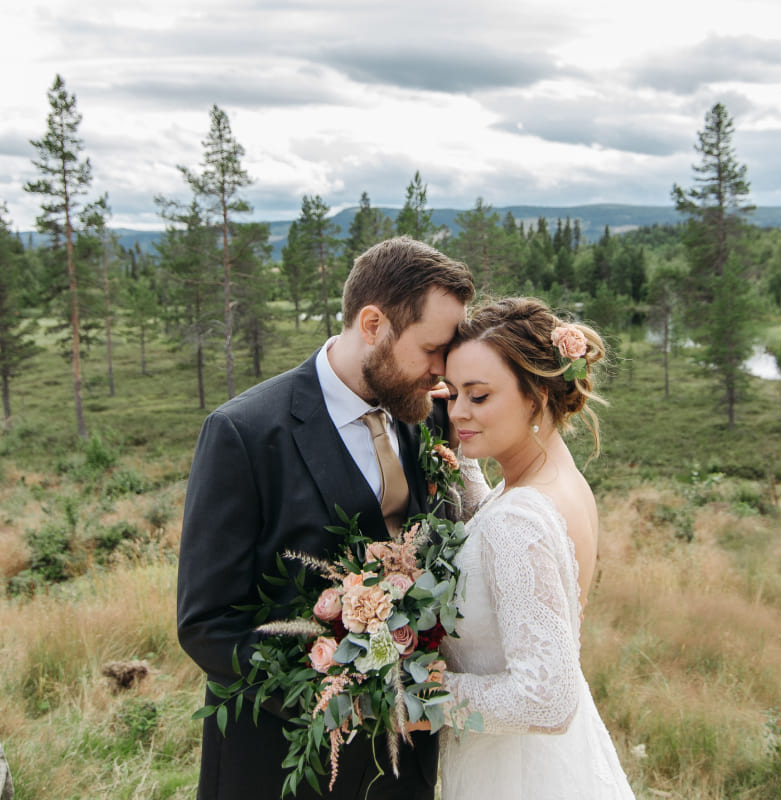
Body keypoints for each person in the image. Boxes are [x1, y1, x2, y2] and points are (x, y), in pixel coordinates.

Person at [177, 236, 475, 800]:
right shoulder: (244, 434)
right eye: (433, 348)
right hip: (280, 766)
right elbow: (207, 625)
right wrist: (337, 695)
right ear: (373, 324)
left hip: (403, 765)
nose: (443, 370)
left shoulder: (428, 413)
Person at [436, 297, 635, 799]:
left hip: (514, 775)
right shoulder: (554, 482)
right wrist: (459, 460)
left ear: (536, 396)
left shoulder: (519, 520)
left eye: (478, 396)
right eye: (453, 393)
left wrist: (421, 695)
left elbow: (544, 699)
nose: (456, 412)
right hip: (554, 761)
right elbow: (489, 524)